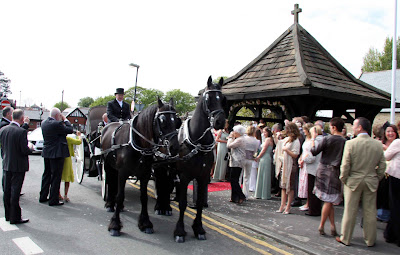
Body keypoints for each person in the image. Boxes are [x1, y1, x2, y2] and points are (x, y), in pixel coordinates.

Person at [337, 117, 386, 247]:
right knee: (370, 212)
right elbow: (382, 166)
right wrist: (376, 177)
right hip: (371, 180)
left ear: (359, 127)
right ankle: (370, 240)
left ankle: (345, 238)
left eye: (354, 125)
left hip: (353, 180)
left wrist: (344, 178)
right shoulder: (377, 144)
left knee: (350, 210)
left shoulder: (351, 143)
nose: (352, 127)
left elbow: (345, 165)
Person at [311, 117, 346, 237]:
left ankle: (321, 226)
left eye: (330, 127)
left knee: (328, 201)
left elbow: (314, 151)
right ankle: (332, 227)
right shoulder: (344, 141)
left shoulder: (327, 139)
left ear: (334, 127)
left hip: (323, 169)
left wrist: (313, 139)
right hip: (335, 171)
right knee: (329, 200)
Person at [0, 109, 31, 224]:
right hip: (18, 165)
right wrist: (30, 149)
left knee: (7, 190)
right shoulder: (21, 132)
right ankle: (15, 217)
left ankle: (8, 215)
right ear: (22, 119)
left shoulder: (3, 129)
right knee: (15, 192)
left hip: (7, 163)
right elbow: (24, 150)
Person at [39, 108, 73, 206]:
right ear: (58, 115)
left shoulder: (44, 123)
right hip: (57, 153)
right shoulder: (57, 124)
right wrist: (65, 120)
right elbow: (70, 130)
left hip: (47, 152)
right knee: (56, 176)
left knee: (46, 174)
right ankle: (53, 199)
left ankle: (43, 196)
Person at [275, 122, 301, 214]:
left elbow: (295, 154)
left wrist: (287, 150)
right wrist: (276, 136)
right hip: (284, 164)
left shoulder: (296, 141)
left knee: (289, 187)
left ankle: (288, 207)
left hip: (291, 165)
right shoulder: (287, 139)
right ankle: (282, 205)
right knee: (283, 187)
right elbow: (279, 144)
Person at [383, 133, 400, 246]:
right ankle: (390, 232)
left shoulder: (397, 142)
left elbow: (386, 156)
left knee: (395, 206)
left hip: (396, 177)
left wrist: (385, 148)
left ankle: (394, 234)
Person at [304, 125, 323, 216]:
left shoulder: (314, 142)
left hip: (313, 168)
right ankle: (317, 209)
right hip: (320, 168)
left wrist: (304, 159)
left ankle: (313, 210)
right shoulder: (323, 140)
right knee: (318, 190)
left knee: (311, 190)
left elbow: (311, 157)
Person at [227, 125, 246, 204]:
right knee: (233, 179)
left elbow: (229, 145)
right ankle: (234, 197)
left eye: (234, 131)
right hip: (236, 160)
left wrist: (230, 138)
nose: (233, 133)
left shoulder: (240, 140)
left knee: (234, 180)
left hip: (237, 161)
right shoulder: (239, 139)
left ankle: (241, 195)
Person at [60, 131, 82, 202]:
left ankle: (58, 194)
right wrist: (79, 135)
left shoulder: (58, 139)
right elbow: (78, 142)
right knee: (67, 178)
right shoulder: (68, 139)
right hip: (67, 159)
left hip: (59, 158)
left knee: (58, 178)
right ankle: (65, 195)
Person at [297, 123, 314, 211]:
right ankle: (306, 202)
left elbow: (309, 152)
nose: (303, 131)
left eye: (304, 130)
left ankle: (308, 203)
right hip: (303, 160)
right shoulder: (306, 139)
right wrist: (300, 159)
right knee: (304, 182)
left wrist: (303, 160)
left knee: (308, 183)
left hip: (307, 163)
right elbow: (303, 151)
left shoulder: (312, 140)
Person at [254, 127, 273, 199]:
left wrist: (257, 157)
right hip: (264, 158)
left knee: (264, 175)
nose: (264, 133)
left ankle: (264, 194)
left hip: (265, 158)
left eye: (265, 132)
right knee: (262, 174)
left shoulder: (268, 139)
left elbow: (264, 150)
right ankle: (260, 193)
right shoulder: (267, 139)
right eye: (263, 132)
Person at [242, 126, 260, 199]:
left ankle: (239, 193)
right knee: (247, 177)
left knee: (241, 176)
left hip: (243, 157)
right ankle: (245, 194)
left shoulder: (244, 138)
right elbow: (255, 151)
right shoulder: (257, 141)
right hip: (250, 159)